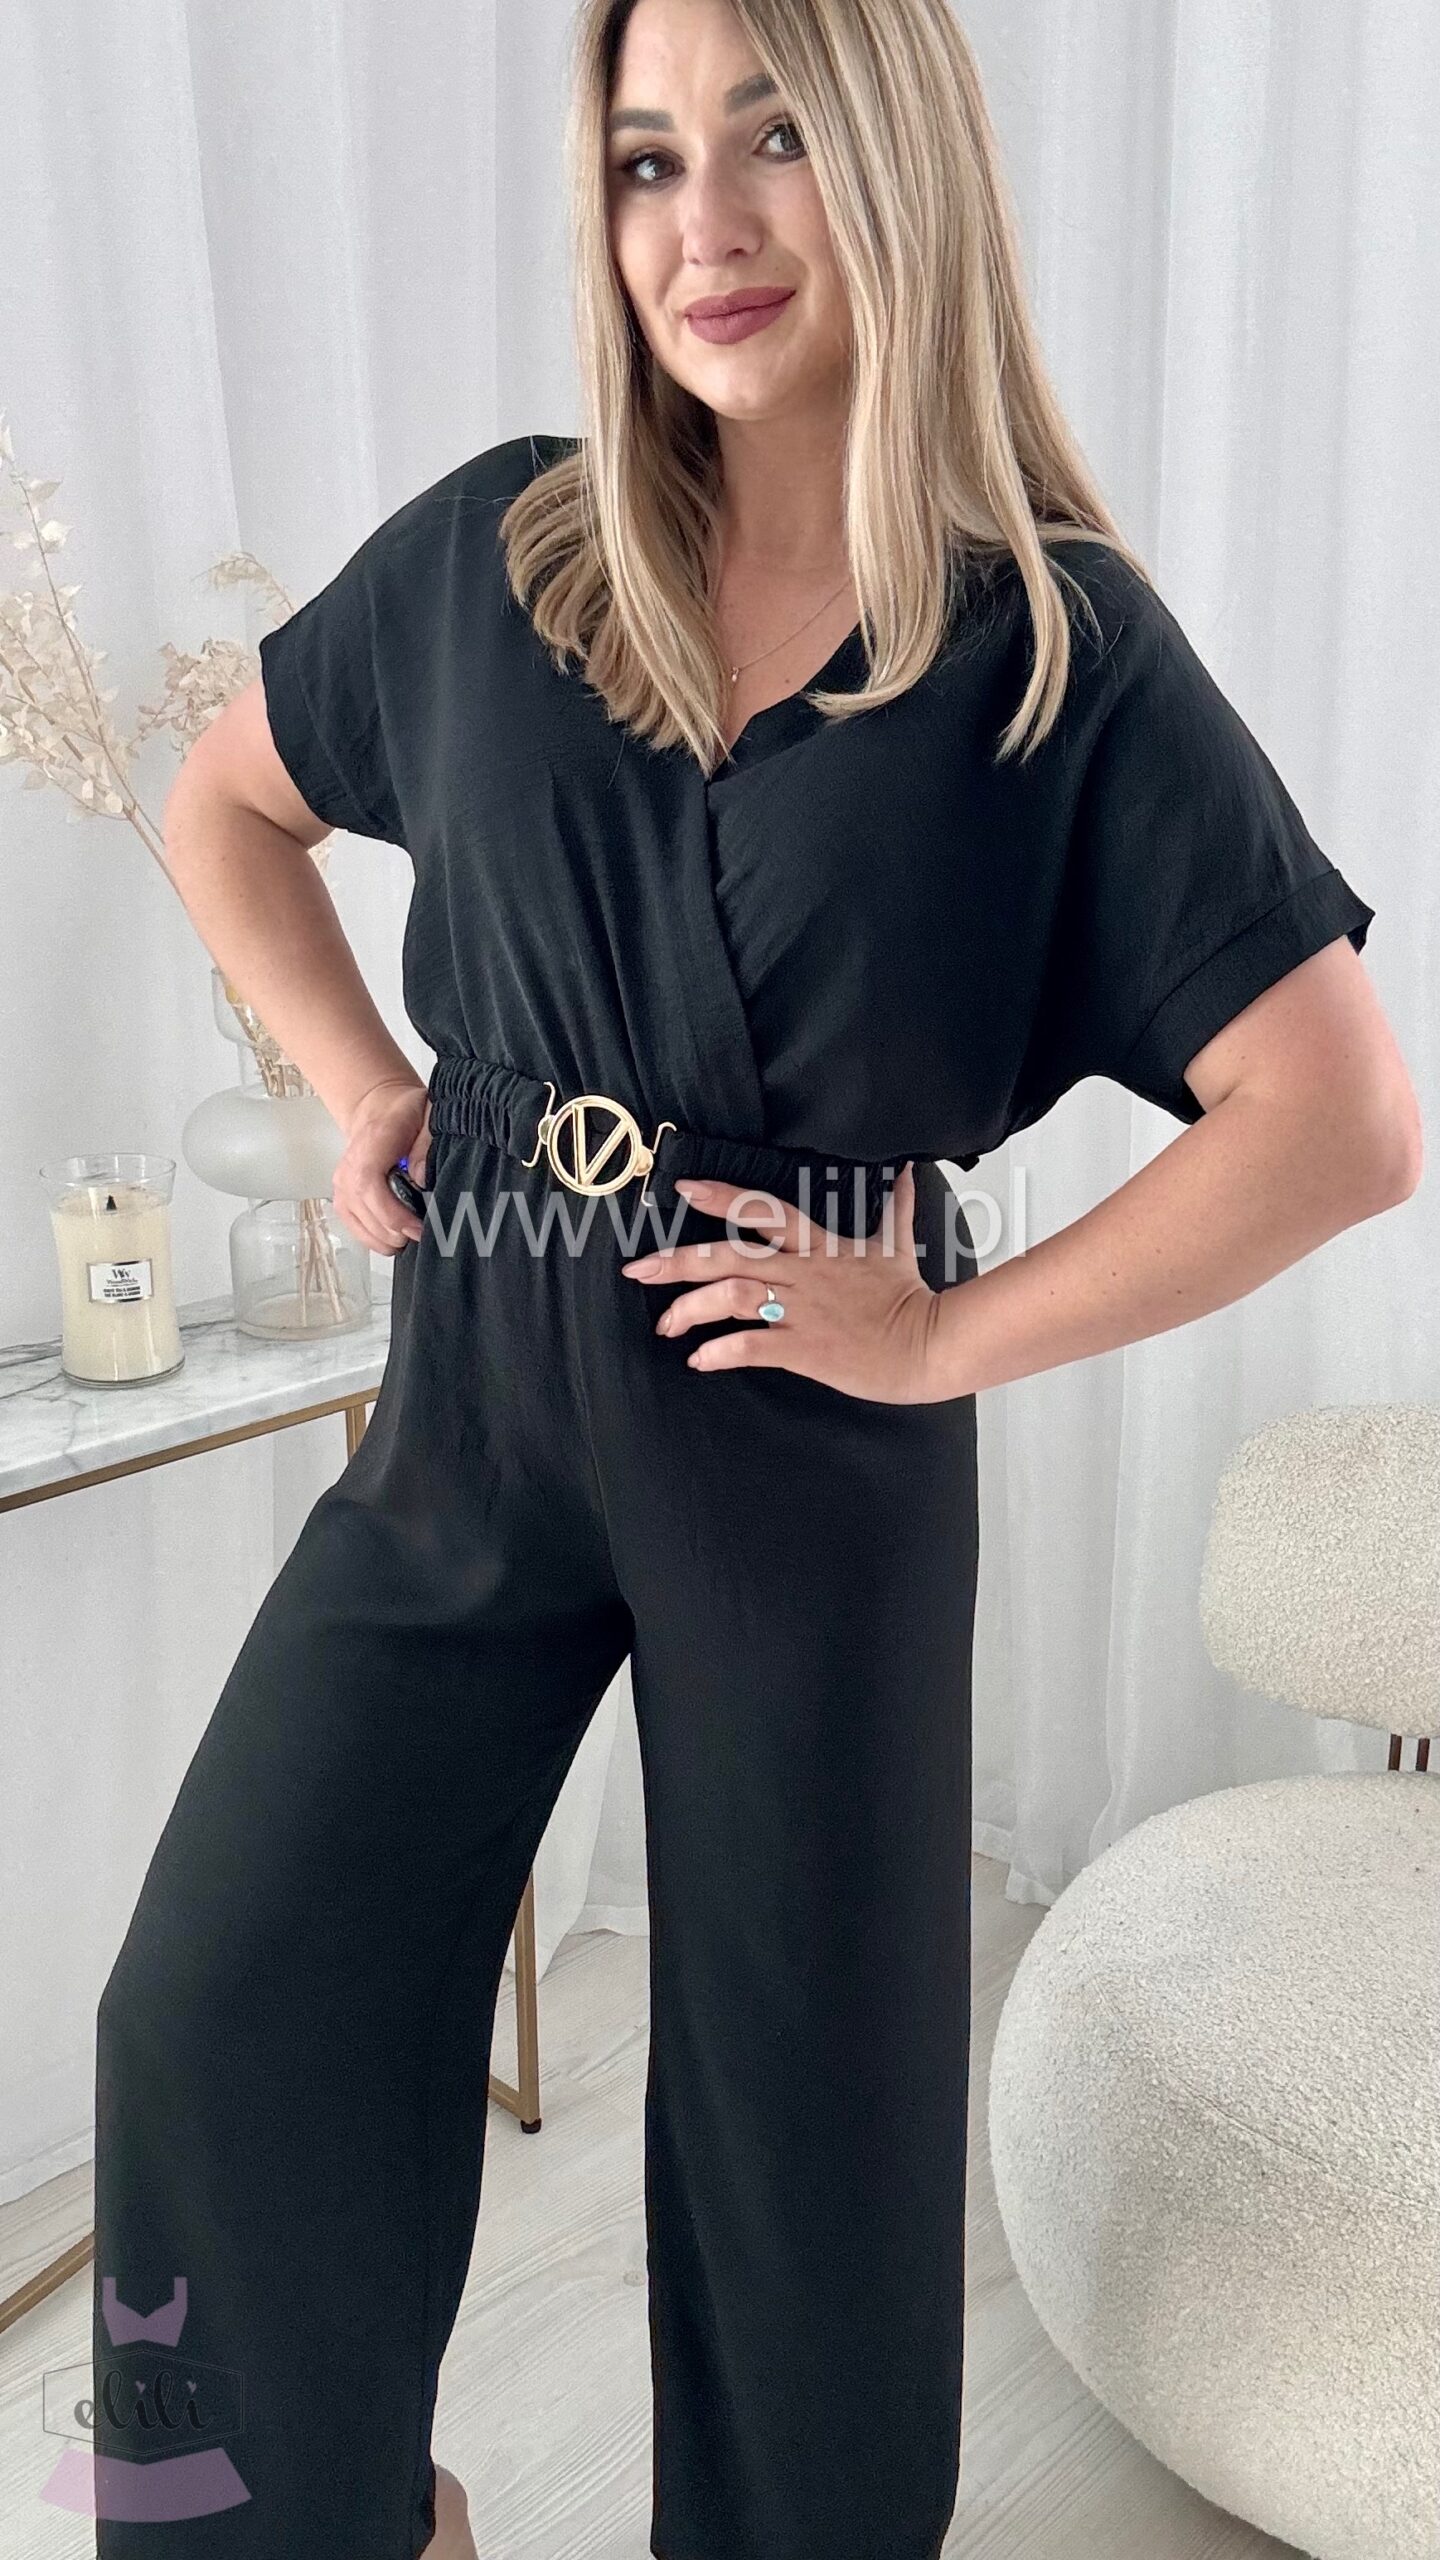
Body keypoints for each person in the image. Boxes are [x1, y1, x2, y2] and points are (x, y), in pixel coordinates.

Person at [90, 1, 1418, 2555]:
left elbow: (1342, 1116)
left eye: (775, 136)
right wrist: (364, 1083)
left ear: (898, 157)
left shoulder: (1056, 653)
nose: (702, 223)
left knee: (806, 2152)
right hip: (474, 1394)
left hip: (807, 1435)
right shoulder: (499, 554)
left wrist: (939, 1332)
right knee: (219, 2000)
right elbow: (222, 798)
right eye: (644, 157)